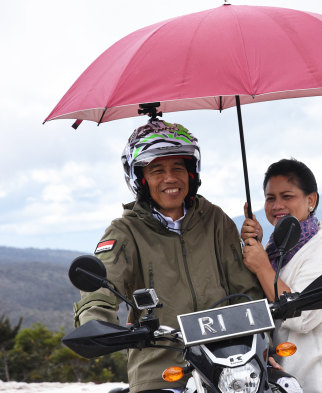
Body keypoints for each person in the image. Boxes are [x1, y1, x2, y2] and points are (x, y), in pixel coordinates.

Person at [72, 119, 263, 393]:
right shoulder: (125, 231)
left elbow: (245, 289)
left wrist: (262, 341)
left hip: (228, 362)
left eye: (178, 168)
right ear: (141, 178)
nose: (170, 178)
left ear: (192, 173)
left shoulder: (215, 220)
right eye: (157, 169)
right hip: (161, 366)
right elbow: (102, 285)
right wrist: (96, 323)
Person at [241, 158, 322, 393]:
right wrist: (256, 246)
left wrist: (263, 266)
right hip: (286, 381)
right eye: (270, 198)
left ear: (311, 200)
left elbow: (303, 318)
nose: (277, 206)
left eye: (287, 196)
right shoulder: (276, 251)